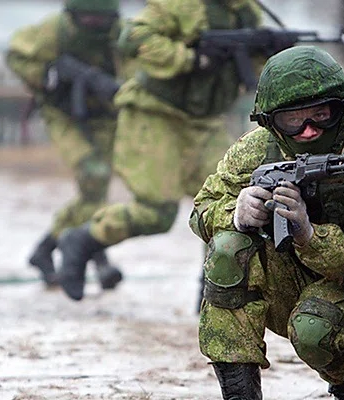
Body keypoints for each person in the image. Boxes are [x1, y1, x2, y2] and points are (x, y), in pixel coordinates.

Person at [190, 45, 344, 400]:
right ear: (272, 123)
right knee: (229, 247)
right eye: (293, 120)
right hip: (288, 284)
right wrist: (236, 211)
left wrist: (309, 235)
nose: (308, 131)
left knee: (314, 326)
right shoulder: (256, 150)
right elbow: (200, 211)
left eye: (322, 115)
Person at [55, 0, 264, 301]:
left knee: (230, 203)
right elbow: (133, 36)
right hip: (154, 112)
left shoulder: (247, 12)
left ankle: (215, 286)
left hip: (204, 121)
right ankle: (84, 240)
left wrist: (266, 52)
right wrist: (190, 58)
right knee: (156, 212)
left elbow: (253, 66)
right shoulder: (181, 5)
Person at [6, 0, 130, 289]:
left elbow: (140, 62)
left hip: (105, 118)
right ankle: (97, 258)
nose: (93, 25)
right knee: (94, 175)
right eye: (86, 18)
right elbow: (17, 55)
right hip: (63, 114)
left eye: (99, 19)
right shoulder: (54, 30)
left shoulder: (120, 34)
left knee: (95, 191)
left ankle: (46, 249)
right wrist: (50, 76)